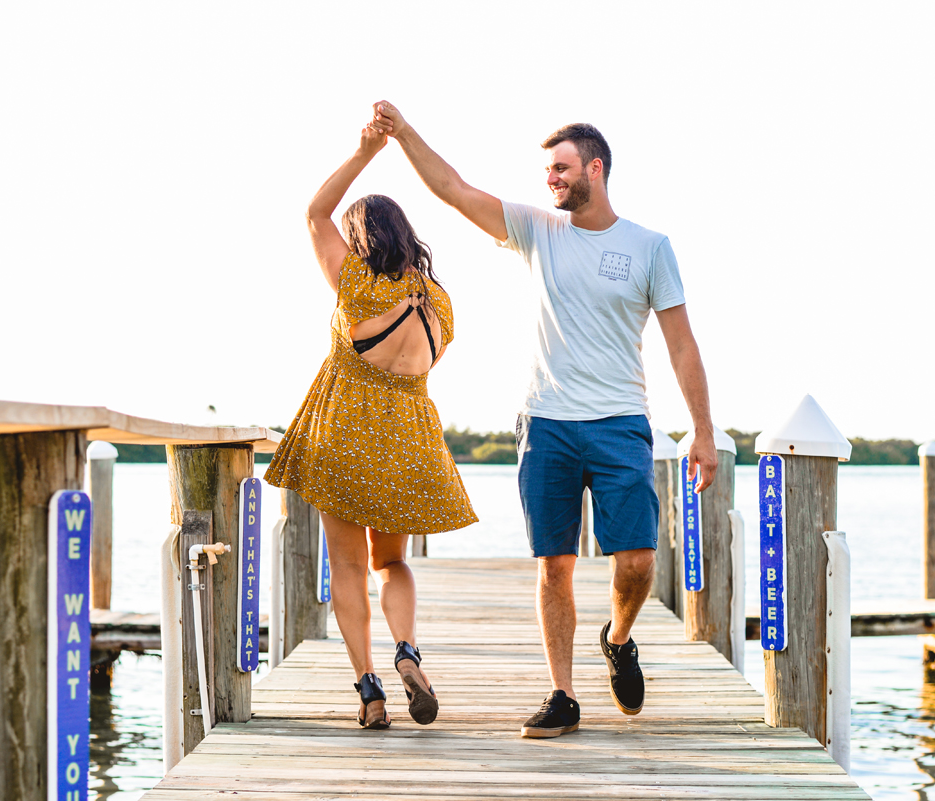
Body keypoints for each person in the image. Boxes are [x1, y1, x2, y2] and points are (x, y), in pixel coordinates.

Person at [370, 101, 718, 738]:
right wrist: (403, 134)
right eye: (547, 171)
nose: (550, 180)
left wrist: (702, 429)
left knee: (637, 560)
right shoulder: (535, 229)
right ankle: (563, 693)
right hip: (548, 423)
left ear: (595, 167)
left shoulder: (649, 248)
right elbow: (452, 189)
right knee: (553, 564)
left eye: (560, 169)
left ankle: (618, 639)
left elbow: (682, 344)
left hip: (620, 423)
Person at [263, 122, 478, 730]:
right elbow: (425, 367)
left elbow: (314, 211)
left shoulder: (354, 283)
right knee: (394, 564)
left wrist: (364, 151)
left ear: (360, 237)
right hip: (409, 441)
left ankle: (370, 692)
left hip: (345, 437)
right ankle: (408, 651)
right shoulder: (438, 301)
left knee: (349, 569)